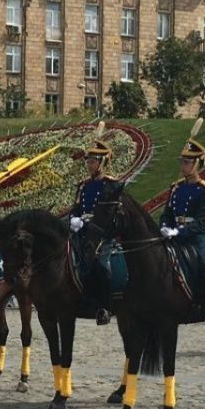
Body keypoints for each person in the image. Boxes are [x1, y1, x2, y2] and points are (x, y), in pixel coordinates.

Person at [158, 134, 205, 327]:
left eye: (187, 162)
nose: (183, 166)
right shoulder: (176, 188)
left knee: (204, 266)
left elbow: (200, 222)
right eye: (182, 162)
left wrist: (178, 232)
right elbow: (167, 213)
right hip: (174, 236)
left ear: (197, 164)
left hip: (196, 237)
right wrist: (164, 227)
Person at [67, 135, 116, 325]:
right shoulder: (84, 186)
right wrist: (74, 220)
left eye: (93, 161)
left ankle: (104, 307)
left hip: (103, 235)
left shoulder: (110, 185)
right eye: (88, 160)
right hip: (82, 233)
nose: (89, 164)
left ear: (103, 162)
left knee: (101, 266)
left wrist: (90, 223)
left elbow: (111, 213)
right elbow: (76, 209)